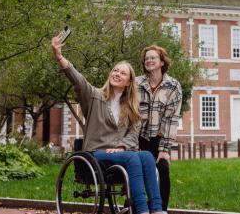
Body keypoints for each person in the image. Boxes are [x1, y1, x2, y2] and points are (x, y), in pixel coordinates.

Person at [51, 34, 163, 214]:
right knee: (133, 157)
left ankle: (157, 209)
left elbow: (133, 134)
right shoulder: (94, 96)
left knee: (148, 157)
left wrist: (121, 147)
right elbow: (77, 80)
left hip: (119, 153)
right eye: (115, 70)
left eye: (123, 73)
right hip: (96, 153)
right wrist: (59, 56)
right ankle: (142, 210)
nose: (117, 74)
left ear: (128, 83)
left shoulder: (131, 107)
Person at [137, 45, 182, 212]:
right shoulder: (137, 83)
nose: (148, 60)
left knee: (162, 167)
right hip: (137, 136)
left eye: (153, 57)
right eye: (146, 58)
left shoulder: (173, 86)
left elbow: (171, 119)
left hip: (158, 138)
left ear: (162, 62)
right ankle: (136, 204)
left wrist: (165, 149)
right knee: (137, 171)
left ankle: (161, 208)